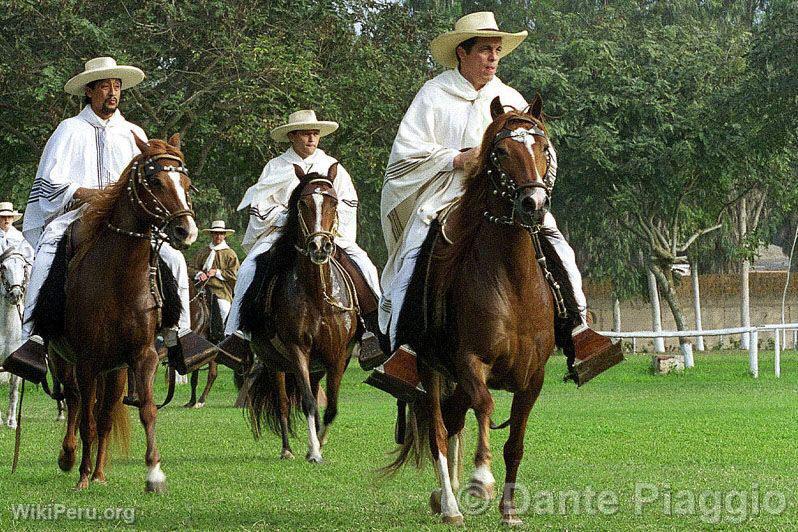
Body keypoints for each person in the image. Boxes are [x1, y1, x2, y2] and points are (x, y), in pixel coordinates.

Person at [371, 12, 621, 398]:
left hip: (507, 200)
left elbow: (544, 151)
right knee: (415, 249)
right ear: (462, 52)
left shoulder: (511, 98)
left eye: (497, 51)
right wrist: (456, 159)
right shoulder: (433, 95)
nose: (493, 58)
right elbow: (405, 157)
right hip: (447, 197)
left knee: (558, 244)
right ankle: (404, 347)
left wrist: (534, 181)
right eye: (485, 50)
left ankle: (578, 329)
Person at [12, 56, 213, 369]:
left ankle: (180, 333)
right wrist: (89, 194)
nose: (112, 92)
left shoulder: (133, 132)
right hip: (80, 214)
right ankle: (34, 337)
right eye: (104, 86)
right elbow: (49, 182)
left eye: (116, 86)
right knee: (50, 248)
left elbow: (153, 179)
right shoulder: (70, 130)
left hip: (127, 219)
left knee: (172, 257)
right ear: (89, 91)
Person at [218, 110, 383, 363]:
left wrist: (326, 225)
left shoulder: (332, 166)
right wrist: (290, 219)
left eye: (315, 134)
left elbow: (348, 202)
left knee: (366, 266)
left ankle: (374, 331)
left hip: (328, 233)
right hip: (281, 235)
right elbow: (261, 207)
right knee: (248, 269)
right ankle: (237, 335)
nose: (311, 139)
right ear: (293, 136)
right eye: (306, 134)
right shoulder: (275, 167)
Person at [189, 220, 240, 324]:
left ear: (224, 235)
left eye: (221, 234)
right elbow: (190, 268)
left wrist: (217, 272)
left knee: (223, 309)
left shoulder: (230, 254)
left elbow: (234, 274)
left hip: (220, 291)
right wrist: (199, 274)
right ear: (212, 234)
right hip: (199, 288)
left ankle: (220, 335)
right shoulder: (203, 252)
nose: (218, 236)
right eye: (216, 233)